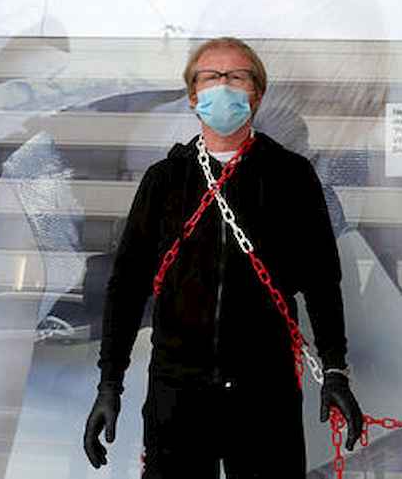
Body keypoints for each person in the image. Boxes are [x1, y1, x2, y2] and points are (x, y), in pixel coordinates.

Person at [83, 37, 364, 478]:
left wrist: (335, 369)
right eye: (211, 77)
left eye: (237, 76)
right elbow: (127, 284)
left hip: (264, 392)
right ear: (194, 96)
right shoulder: (165, 179)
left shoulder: (291, 175)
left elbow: (322, 280)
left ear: (257, 93)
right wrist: (109, 383)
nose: (224, 85)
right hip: (176, 391)